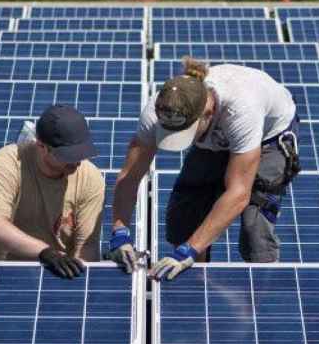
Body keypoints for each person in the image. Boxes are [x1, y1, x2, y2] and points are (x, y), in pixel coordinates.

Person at [106, 57, 301, 280]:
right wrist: (119, 232)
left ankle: (262, 298)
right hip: (216, 135)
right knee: (184, 220)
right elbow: (130, 177)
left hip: (268, 137)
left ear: (207, 114)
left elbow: (238, 193)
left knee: (254, 231)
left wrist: (190, 250)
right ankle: (197, 290)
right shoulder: (157, 111)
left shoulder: (242, 111)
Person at [0, 104, 105, 279]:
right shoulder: (9, 162)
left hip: (55, 276)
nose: (77, 161)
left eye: (81, 153)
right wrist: (45, 252)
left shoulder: (90, 178)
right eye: (68, 154)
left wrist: (78, 287)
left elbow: (86, 247)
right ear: (41, 146)